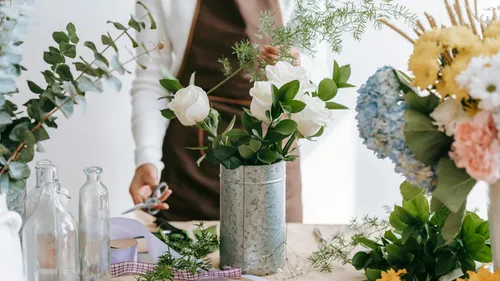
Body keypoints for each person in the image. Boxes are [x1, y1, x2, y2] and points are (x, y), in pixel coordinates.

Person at [129, 0, 324, 223]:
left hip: (273, 159)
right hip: (191, 166)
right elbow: (152, 78)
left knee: (280, 253)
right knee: (182, 255)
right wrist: (147, 158)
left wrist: (298, 65)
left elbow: (320, 71)